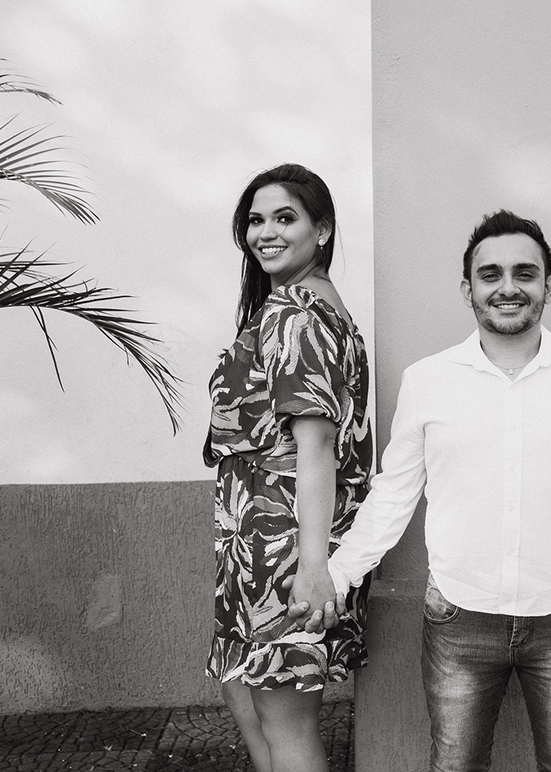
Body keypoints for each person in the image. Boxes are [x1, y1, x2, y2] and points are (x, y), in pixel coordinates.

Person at [292, 209, 551, 771]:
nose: (508, 287)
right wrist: (337, 574)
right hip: (459, 619)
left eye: (524, 273)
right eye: (490, 275)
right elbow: (394, 495)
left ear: (548, 286)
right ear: (468, 289)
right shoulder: (428, 380)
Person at [203, 163, 372, 772]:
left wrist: (313, 566)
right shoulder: (297, 306)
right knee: (243, 689)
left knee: (285, 717)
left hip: (287, 544)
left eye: (285, 217)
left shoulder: (298, 314)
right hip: (257, 540)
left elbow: (317, 445)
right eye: (256, 220)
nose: (266, 232)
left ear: (321, 230)